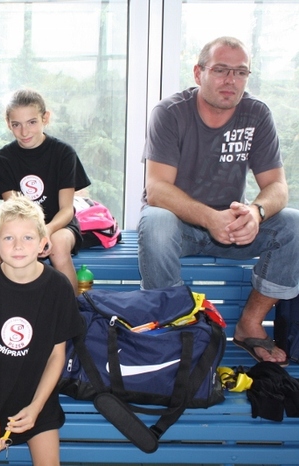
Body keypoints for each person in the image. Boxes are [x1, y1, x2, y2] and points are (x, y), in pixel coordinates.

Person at [138, 36, 299, 367]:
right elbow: (156, 190)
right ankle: (174, 324)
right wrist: (210, 218)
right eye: (221, 70)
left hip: (231, 229)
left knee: (293, 224)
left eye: (240, 72)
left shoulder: (256, 114)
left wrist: (255, 213)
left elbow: (277, 186)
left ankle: (249, 323)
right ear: (199, 73)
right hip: (179, 228)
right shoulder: (170, 113)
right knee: (155, 221)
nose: (231, 80)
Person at [0, 194, 84, 465]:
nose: (18, 246)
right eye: (8, 238)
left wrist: (36, 407)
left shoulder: (59, 288)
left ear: (43, 242)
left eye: (27, 237)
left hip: (38, 396)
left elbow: (56, 356)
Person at [0, 89, 91, 291]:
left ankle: (72, 306)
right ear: (8, 124)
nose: (24, 132)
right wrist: (30, 235)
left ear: (45, 118)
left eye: (32, 122)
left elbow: (66, 210)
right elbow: (14, 210)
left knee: (58, 246)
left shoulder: (63, 153)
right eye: (16, 124)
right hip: (21, 225)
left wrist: (47, 230)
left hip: (59, 225)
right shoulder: (3, 158)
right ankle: (16, 304)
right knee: (14, 247)